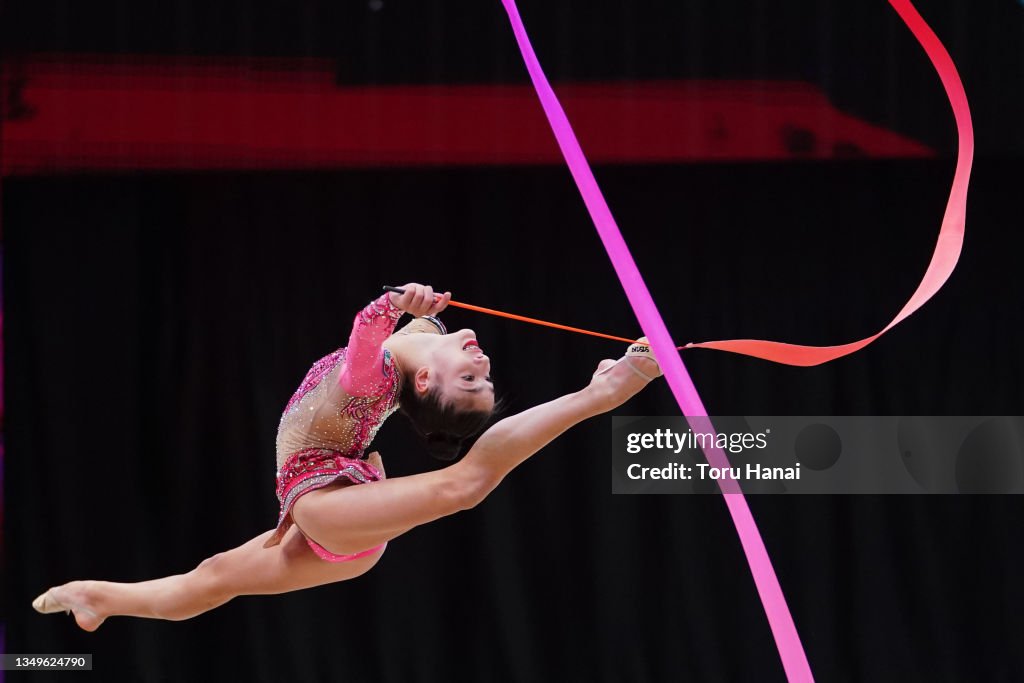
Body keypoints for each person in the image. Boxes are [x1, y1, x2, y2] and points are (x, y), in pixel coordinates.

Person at [32, 283, 662, 631]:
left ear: (423, 388)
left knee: (462, 487)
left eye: (473, 382)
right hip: (338, 518)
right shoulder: (426, 339)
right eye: (482, 377)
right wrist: (416, 311)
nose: (484, 363)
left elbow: (366, 339)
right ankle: (103, 598)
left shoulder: (378, 372)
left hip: (326, 508)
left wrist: (392, 304)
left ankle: (599, 394)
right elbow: (416, 333)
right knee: (212, 577)